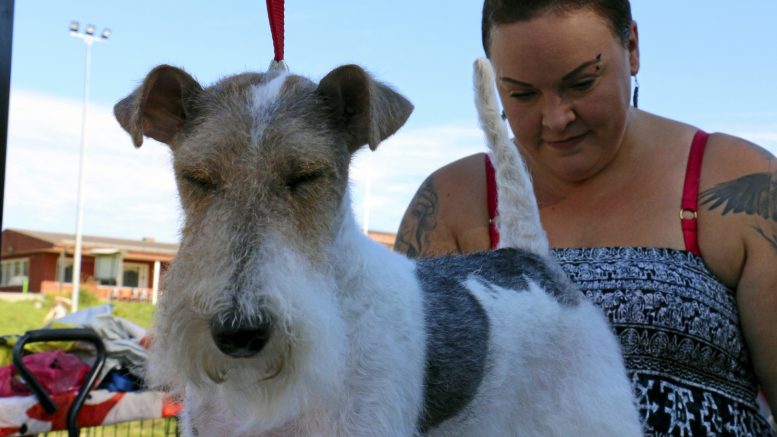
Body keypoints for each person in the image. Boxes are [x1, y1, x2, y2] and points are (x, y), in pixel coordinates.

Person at [394, 0, 777, 434]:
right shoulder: (451, 202)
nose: (557, 118)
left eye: (581, 83)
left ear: (631, 47)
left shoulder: (738, 183)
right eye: (522, 93)